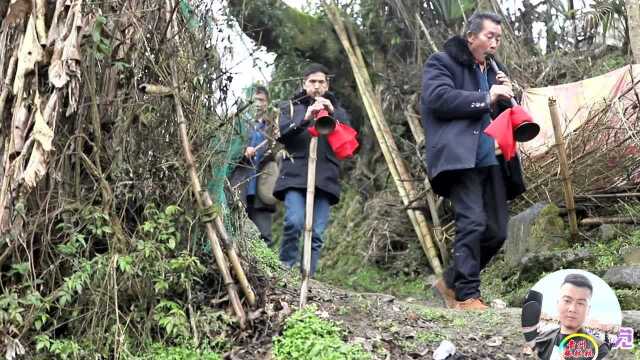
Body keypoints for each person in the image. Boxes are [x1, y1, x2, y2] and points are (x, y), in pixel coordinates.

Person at [421, 12, 525, 310]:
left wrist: (508, 98)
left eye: (499, 38)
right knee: (472, 222)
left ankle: (450, 282)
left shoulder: (494, 71)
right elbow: (438, 98)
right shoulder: (442, 62)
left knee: (497, 231)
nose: (495, 43)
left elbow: (500, 114)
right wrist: (486, 96)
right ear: (471, 38)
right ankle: (467, 296)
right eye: (490, 36)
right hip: (460, 158)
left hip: (492, 158)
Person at [273, 63, 351, 276]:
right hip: (295, 174)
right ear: (304, 83)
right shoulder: (290, 106)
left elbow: (350, 140)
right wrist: (306, 117)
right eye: (312, 82)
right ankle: (285, 270)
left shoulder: (338, 110)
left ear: (327, 84)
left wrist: (333, 113)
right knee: (294, 222)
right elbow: (281, 135)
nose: (317, 86)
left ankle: (308, 274)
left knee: (316, 233)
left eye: (321, 82)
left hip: (325, 177)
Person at [533, 274, 609, 359]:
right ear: (558, 304)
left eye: (580, 303)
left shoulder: (599, 349)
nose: (572, 309)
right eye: (567, 300)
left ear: (588, 309)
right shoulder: (540, 339)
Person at [237, 86, 278, 246]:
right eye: (254, 100)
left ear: (267, 103)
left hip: (262, 188)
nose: (257, 104)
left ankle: (266, 271)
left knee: (265, 236)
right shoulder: (238, 125)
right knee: (238, 232)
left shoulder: (272, 128)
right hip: (240, 186)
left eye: (261, 100)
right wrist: (242, 150)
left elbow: (279, 152)